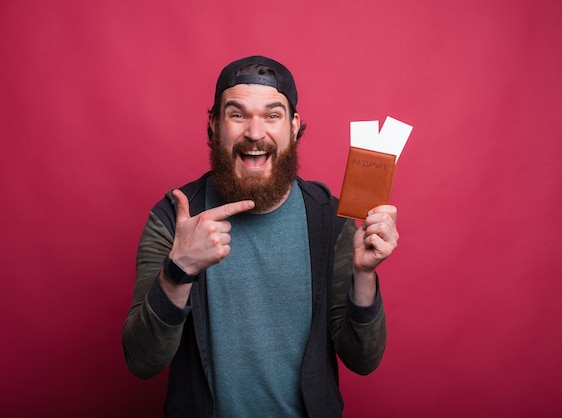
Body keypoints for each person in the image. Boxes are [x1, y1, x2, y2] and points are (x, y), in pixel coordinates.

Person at [122, 55, 399, 418]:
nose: (255, 133)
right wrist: (179, 271)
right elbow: (142, 361)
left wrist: (364, 277)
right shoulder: (173, 218)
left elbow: (363, 360)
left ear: (294, 126)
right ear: (214, 125)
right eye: (237, 115)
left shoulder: (331, 222)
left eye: (272, 115)